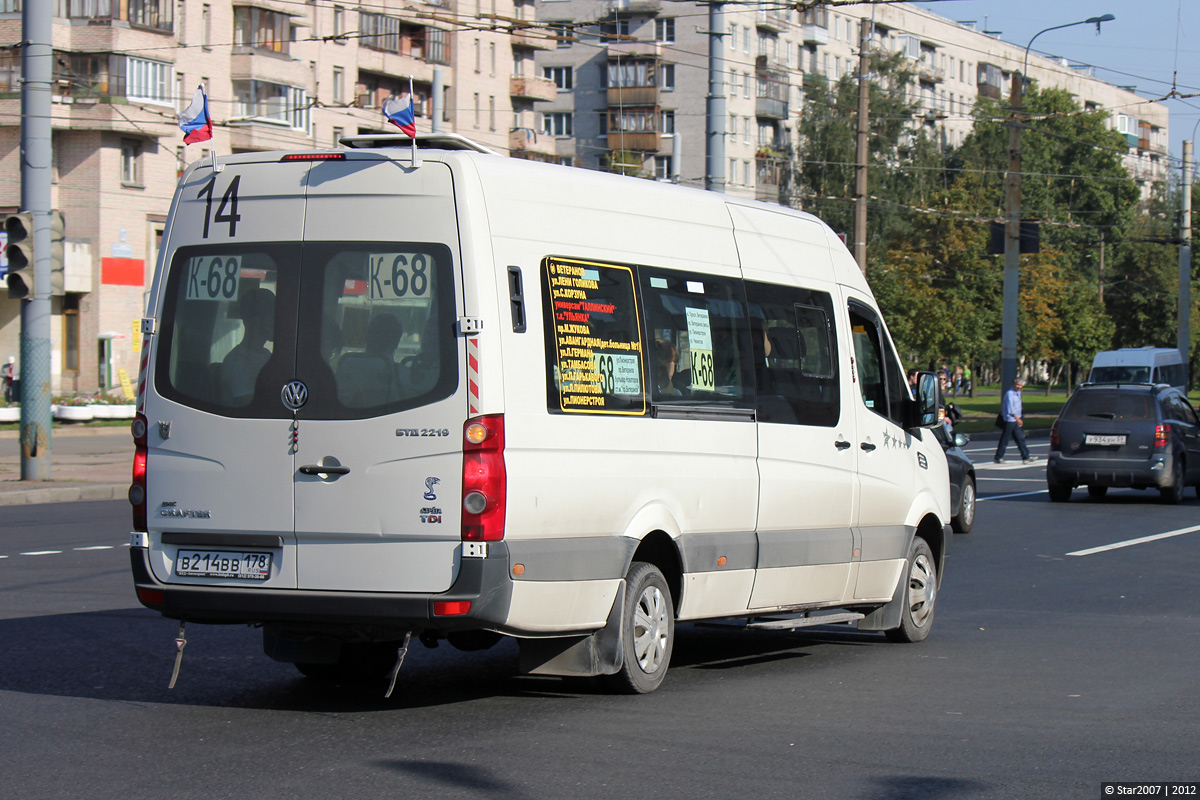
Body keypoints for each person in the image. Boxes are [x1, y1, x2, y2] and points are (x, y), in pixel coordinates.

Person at [219, 289, 275, 406]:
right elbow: (254, 409)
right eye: (271, 316)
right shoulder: (238, 364)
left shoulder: (266, 355)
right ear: (254, 321)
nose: (276, 322)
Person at [994, 378, 1036, 464]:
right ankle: (998, 457)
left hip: (1016, 419)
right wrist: (1018, 419)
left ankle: (1026, 457)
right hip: (1010, 420)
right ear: (1013, 384)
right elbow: (1011, 409)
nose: (1019, 387)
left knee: (1020, 438)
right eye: (1018, 385)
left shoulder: (1018, 393)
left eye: (1020, 385)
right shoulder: (1010, 394)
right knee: (1005, 439)